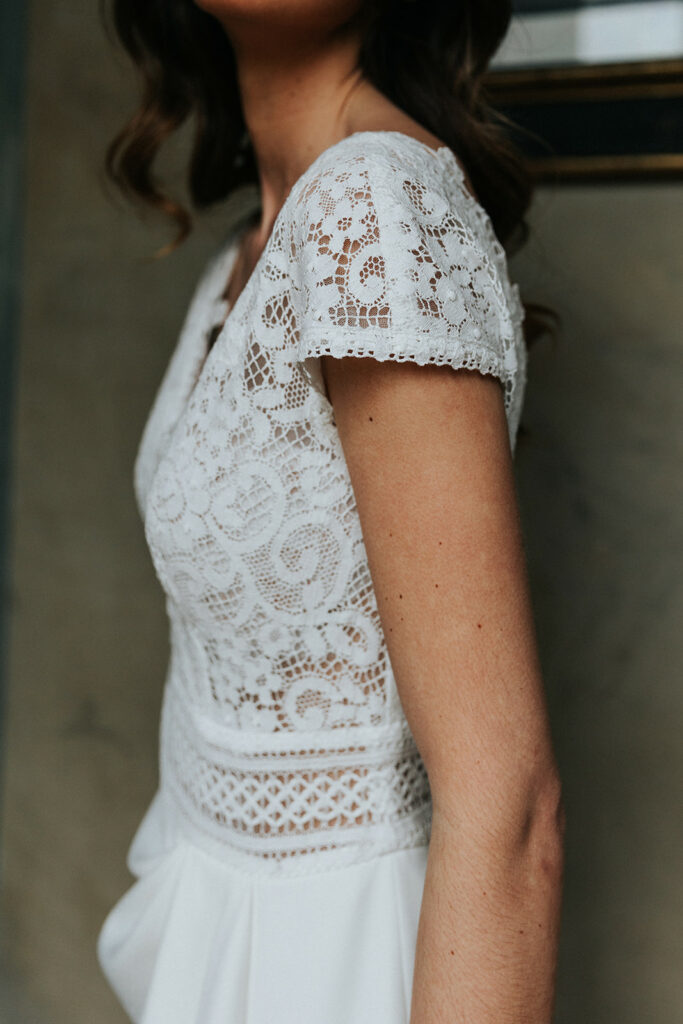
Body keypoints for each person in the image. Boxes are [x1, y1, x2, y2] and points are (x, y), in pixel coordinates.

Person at [97, 1, 565, 1022]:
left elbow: (506, 808)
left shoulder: (373, 207)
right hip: (222, 941)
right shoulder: (255, 242)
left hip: (340, 964)